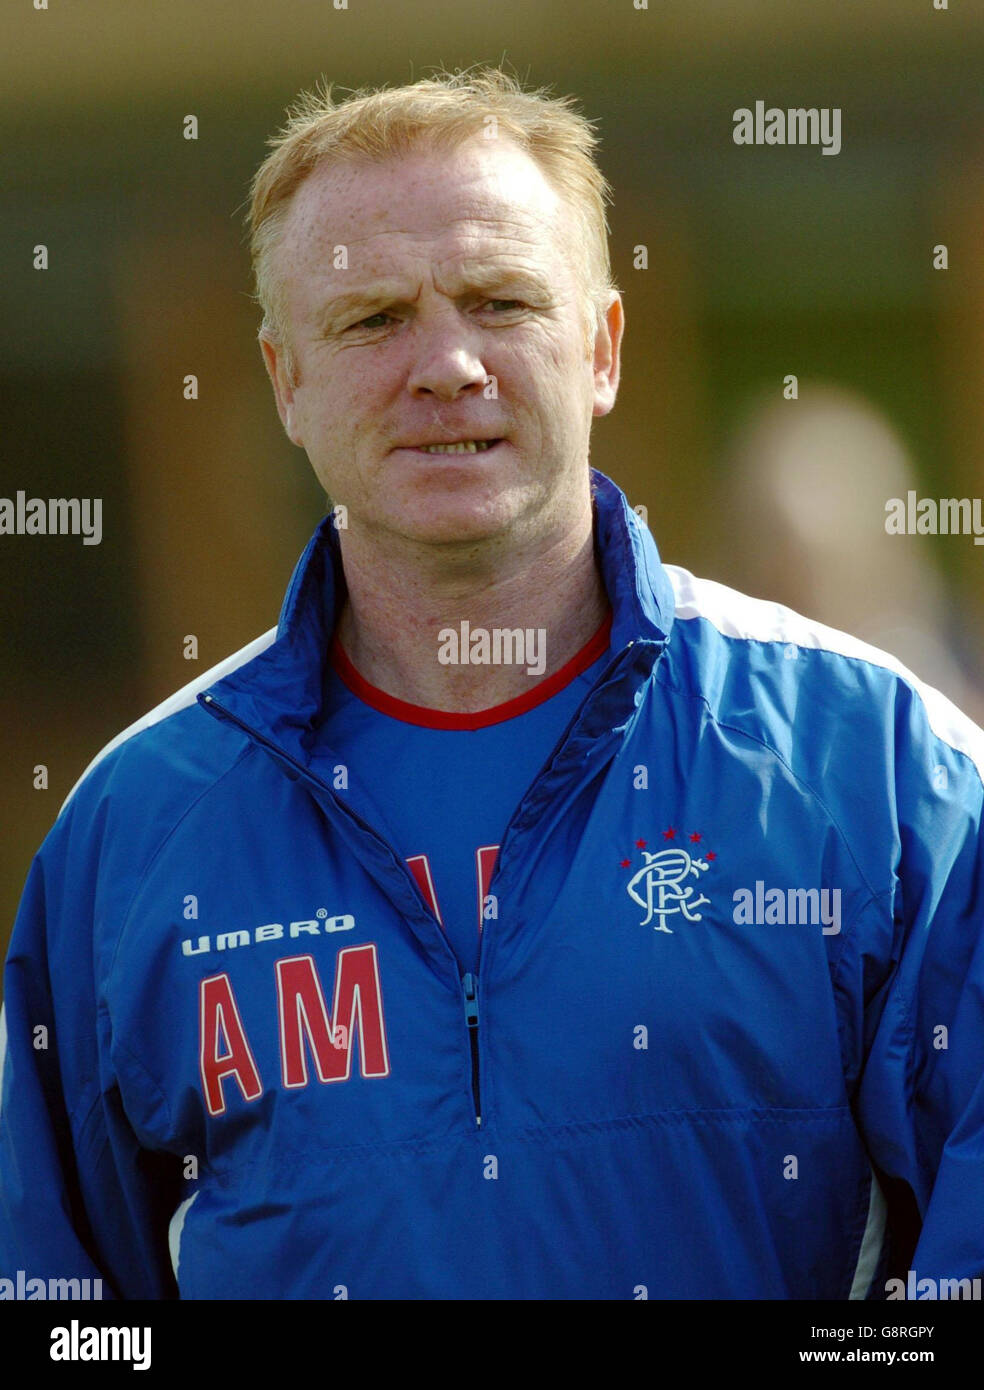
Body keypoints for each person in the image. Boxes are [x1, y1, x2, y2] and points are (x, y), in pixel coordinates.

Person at [1, 66, 982, 1301]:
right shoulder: (130, 829)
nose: (447, 365)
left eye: (500, 299)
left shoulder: (880, 765)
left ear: (604, 347)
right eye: (372, 320)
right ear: (283, 379)